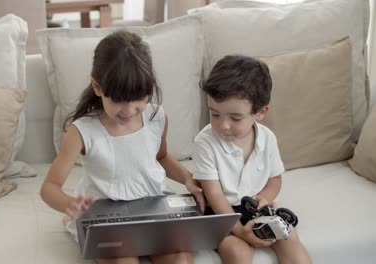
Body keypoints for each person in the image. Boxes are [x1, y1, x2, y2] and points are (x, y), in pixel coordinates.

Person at [40, 30, 203, 264]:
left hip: (152, 207)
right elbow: (49, 187)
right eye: (118, 100)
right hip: (107, 217)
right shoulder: (82, 131)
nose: (128, 110)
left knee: (181, 258)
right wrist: (71, 205)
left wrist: (187, 178)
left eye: (139, 98)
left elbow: (162, 157)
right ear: (97, 87)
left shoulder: (157, 117)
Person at [192, 55, 311, 264]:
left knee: (290, 238)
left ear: (260, 112)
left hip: (256, 210)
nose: (223, 125)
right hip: (221, 214)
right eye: (215, 114)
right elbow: (213, 194)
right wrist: (238, 230)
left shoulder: (267, 138)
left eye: (235, 118)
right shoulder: (205, 141)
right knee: (236, 251)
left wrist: (264, 197)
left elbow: (275, 179)